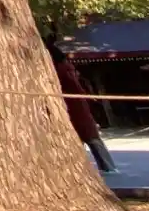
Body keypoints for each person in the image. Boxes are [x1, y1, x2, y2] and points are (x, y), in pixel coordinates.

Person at [46, 34, 115, 172]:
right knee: (89, 139)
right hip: (73, 106)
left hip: (75, 107)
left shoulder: (64, 70)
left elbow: (75, 88)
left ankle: (108, 167)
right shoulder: (66, 69)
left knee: (91, 138)